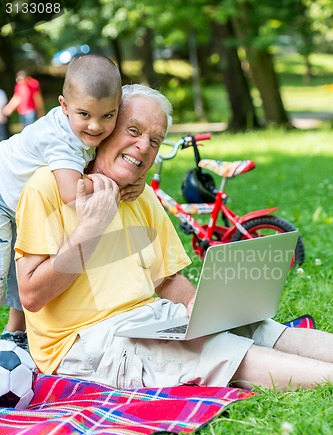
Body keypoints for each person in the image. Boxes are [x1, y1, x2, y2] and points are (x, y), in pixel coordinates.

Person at [15, 84, 333, 391]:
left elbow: (166, 282)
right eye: (134, 131)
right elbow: (31, 295)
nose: (144, 146)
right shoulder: (48, 187)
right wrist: (88, 232)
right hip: (85, 341)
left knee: (259, 328)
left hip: (148, 318)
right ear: (106, 128)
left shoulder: (140, 196)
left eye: (156, 140)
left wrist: (199, 305)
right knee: (218, 351)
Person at [0, 55, 144, 349]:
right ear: (64, 106)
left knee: (25, 264)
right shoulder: (58, 138)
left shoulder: (81, 127)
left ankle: (16, 330)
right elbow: (72, 192)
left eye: (107, 116)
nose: (95, 126)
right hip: (1, 199)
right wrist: (117, 183)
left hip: (19, 203)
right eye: (85, 115)